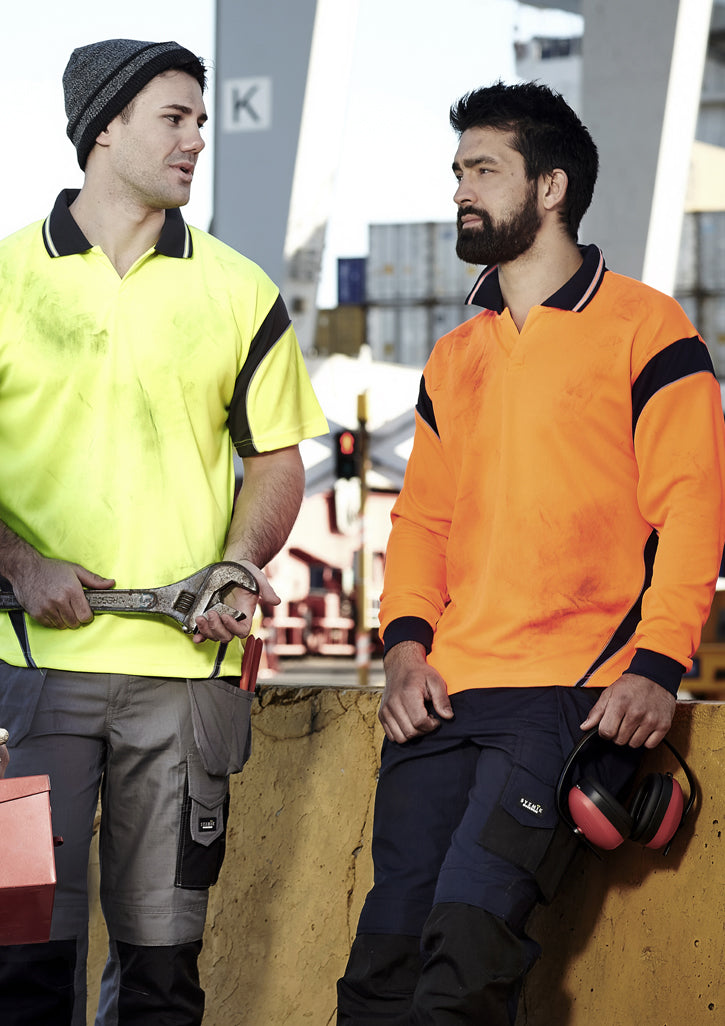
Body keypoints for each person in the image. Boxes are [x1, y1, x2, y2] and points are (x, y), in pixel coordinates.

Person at [336, 81, 725, 1025]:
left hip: (568, 696)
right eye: (457, 171)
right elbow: (422, 523)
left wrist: (655, 666)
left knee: (465, 966)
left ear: (550, 187)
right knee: (380, 972)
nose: (459, 190)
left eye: (483, 170)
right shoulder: (453, 356)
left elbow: (693, 509)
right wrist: (403, 651)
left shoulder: (648, 327)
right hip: (441, 699)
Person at [0, 37, 328, 1026]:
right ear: (104, 128)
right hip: (27, 682)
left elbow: (275, 461)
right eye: (173, 119)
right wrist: (22, 563)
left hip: (184, 686)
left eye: (200, 121)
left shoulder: (238, 291)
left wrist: (237, 562)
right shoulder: (6, 281)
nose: (196, 141)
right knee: (20, 959)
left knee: (161, 974)